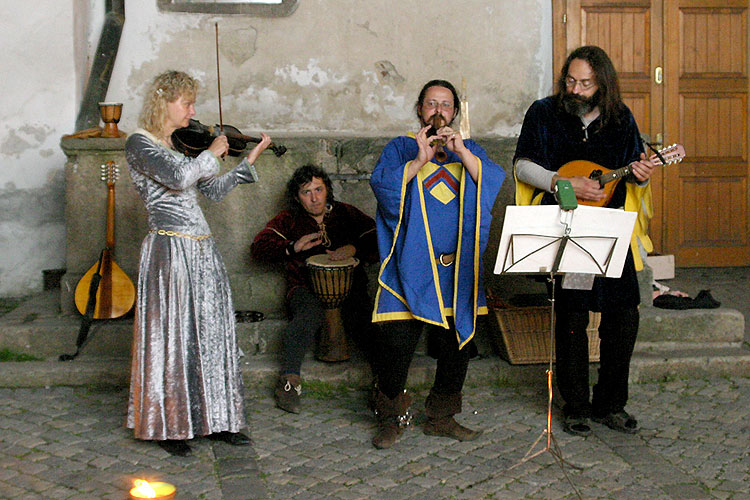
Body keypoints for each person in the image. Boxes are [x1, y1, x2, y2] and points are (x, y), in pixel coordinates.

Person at [125, 70, 272, 456]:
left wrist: (245, 162)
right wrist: (210, 154)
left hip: (202, 250)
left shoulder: (179, 145)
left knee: (211, 333)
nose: (193, 110)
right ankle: (170, 424)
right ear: (165, 102)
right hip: (169, 251)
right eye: (186, 102)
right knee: (172, 338)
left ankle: (217, 419)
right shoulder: (140, 144)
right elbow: (176, 178)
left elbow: (213, 189)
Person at [513, 46, 656, 437]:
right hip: (565, 226)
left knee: (624, 313)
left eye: (586, 84)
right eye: (571, 81)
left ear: (602, 84)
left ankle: (611, 403)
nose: (576, 90)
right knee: (572, 315)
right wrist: (561, 181)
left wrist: (641, 175)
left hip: (609, 228)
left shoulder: (621, 118)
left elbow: (633, 172)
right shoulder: (543, 112)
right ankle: (575, 405)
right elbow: (523, 164)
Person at [369, 79, 505, 449]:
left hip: (455, 272)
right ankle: (391, 415)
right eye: (431, 104)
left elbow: (492, 184)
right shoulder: (400, 148)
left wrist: (461, 152)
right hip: (408, 268)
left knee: (454, 346)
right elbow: (383, 188)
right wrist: (418, 161)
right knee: (397, 345)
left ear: (455, 113)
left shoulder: (469, 150)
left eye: (446, 105)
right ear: (419, 110)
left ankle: (442, 417)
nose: (438, 111)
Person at [251, 164, 379, 414]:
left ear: (327, 190)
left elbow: (378, 236)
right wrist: (292, 247)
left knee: (365, 319)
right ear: (297, 197)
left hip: (350, 285)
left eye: (319, 189)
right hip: (304, 286)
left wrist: (354, 249)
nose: (314, 198)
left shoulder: (345, 213)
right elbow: (258, 248)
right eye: (306, 192)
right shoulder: (289, 220)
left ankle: (383, 386)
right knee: (306, 317)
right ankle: (289, 382)